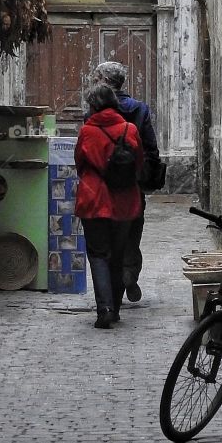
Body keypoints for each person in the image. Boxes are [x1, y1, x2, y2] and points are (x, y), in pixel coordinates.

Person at [74, 81, 144, 329]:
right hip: (124, 201)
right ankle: (114, 308)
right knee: (117, 254)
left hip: (94, 200)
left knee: (98, 254)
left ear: (93, 106)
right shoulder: (130, 129)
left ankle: (104, 308)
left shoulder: (87, 132)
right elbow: (138, 165)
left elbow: (80, 163)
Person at [89, 61, 160, 303]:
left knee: (105, 235)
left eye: (96, 77)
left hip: (102, 186)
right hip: (132, 182)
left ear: (104, 82)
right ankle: (129, 274)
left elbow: (86, 151)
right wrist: (145, 174)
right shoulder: (140, 109)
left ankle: (111, 289)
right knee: (132, 232)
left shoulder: (94, 111)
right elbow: (150, 147)